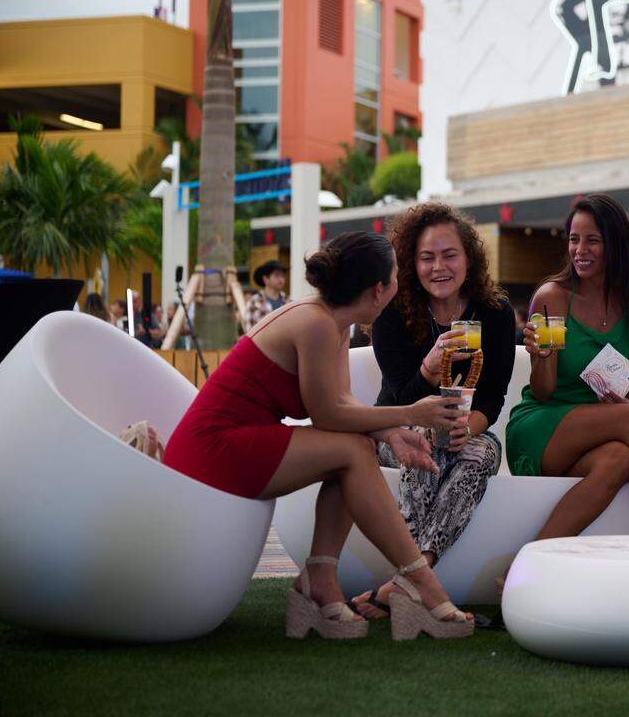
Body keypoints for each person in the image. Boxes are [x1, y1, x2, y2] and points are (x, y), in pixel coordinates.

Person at [163, 231, 474, 641]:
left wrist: (393, 432)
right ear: (378, 289)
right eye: (397, 275)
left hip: (235, 440)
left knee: (357, 447)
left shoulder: (333, 322)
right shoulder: (315, 324)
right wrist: (411, 414)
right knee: (352, 450)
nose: (401, 284)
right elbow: (327, 414)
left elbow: (341, 404)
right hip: (211, 450)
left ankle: (322, 583)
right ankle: (418, 583)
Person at [351, 203, 514, 619]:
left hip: (462, 430)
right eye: (427, 257)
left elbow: (492, 398)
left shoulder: (494, 314)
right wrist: (429, 364)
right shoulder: (393, 315)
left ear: (468, 259)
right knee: (424, 443)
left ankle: (402, 585)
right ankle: (417, 584)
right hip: (396, 429)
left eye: (449, 255)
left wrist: (468, 428)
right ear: (411, 262)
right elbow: (399, 399)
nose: (438, 267)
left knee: (481, 452)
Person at [506, 194, 629, 545]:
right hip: (542, 426)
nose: (580, 249)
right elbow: (543, 391)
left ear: (616, 244)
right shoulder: (552, 296)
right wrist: (542, 355)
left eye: (593, 240)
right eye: (574, 239)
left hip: (605, 425)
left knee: (620, 459)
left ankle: (530, 558)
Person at [245, 259, 290, 332]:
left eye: (282, 275)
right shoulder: (253, 302)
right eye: (277, 275)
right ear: (265, 279)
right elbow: (249, 333)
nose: (281, 279)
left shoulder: (289, 302)